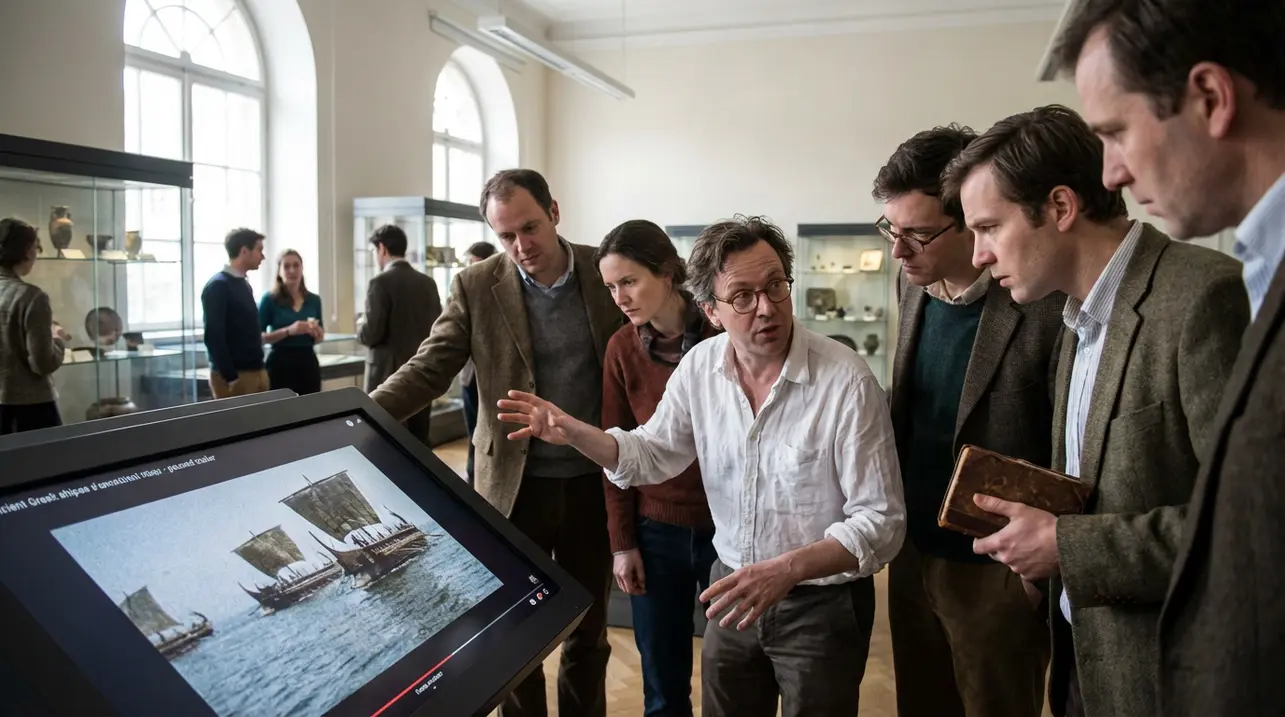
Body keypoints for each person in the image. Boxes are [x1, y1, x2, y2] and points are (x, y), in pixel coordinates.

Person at [495, 215, 905, 717]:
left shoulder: (846, 381)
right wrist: (574, 433)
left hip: (820, 605)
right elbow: (652, 452)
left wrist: (787, 569)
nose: (766, 307)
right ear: (711, 310)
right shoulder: (700, 367)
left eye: (775, 286)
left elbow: (882, 521)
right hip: (732, 595)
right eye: (743, 297)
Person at [942, 104, 1249, 717]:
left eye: (989, 228)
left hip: (1170, 679)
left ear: (1060, 207)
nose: (977, 255)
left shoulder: (1203, 298)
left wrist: (1067, 548)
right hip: (1082, 663)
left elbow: (1248, 525)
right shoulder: (1072, 320)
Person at [1051, 2, 1285, 713]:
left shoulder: (1209, 291)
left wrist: (1069, 545)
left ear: (1210, 97)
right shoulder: (1260, 270)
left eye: (1115, 132)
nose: (1111, 173)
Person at [370, 169, 621, 717]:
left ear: (554, 212)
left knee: (588, 630)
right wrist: (362, 416)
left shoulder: (604, 272)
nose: (521, 246)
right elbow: (429, 368)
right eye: (506, 235)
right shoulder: (476, 284)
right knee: (514, 633)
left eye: (530, 228)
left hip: (592, 483)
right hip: (511, 487)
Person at [872, 124, 1063, 717]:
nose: (898, 251)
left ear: (970, 220)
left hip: (996, 567)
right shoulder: (912, 286)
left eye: (917, 234)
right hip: (913, 552)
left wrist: (1031, 581)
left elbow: (1069, 444)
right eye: (891, 231)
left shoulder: (1042, 299)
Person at [596, 219, 718, 717]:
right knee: (662, 685)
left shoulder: (721, 331)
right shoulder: (621, 349)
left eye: (629, 281)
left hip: (726, 528)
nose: (620, 298)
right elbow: (614, 452)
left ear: (668, 272)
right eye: (611, 287)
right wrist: (622, 543)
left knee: (736, 673)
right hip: (655, 531)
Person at [357, 224, 441, 445]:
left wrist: (360, 327)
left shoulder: (379, 282)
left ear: (382, 248)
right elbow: (438, 327)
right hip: (423, 371)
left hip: (386, 375)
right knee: (419, 440)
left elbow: (371, 333)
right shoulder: (427, 283)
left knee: (383, 440)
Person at [0, 218, 68, 434]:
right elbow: (43, 363)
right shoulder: (31, 297)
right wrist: (57, 338)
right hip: (28, 407)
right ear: (27, 251)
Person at [201, 228, 268, 399]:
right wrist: (230, 377)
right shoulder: (218, 286)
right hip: (236, 375)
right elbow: (213, 335)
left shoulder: (243, 284)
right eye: (259, 250)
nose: (262, 256)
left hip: (255, 370)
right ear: (244, 251)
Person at [258, 249, 324, 395]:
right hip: (280, 363)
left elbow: (319, 337)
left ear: (302, 268)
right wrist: (288, 331)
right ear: (279, 271)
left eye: (296, 265)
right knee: (281, 407)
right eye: (286, 266)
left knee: (311, 405)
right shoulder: (269, 300)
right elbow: (258, 337)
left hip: (308, 363)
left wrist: (317, 333)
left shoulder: (314, 300)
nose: (292, 270)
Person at [459, 240, 498, 482]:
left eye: (471, 261)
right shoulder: (466, 287)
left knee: (486, 430)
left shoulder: (499, 288)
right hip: (470, 374)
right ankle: (473, 475)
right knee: (473, 430)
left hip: (492, 376)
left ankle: (478, 475)